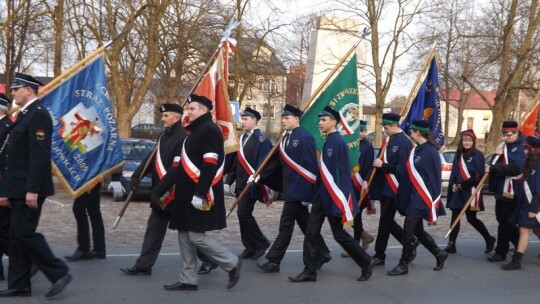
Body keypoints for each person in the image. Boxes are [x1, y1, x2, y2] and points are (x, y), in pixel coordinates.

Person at [155, 94, 241, 291]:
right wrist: (160, 189)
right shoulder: (193, 131)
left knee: (194, 235)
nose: (188, 112)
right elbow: (180, 165)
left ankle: (231, 262)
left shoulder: (209, 130)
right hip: (185, 193)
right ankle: (188, 278)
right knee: (184, 235)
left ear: (203, 110)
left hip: (198, 192)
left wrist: (200, 193)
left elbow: (210, 164)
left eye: (192, 109)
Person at [0, 73, 72, 298]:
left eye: (16, 89)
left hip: (29, 187)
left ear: (28, 90)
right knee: (15, 235)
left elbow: (39, 156)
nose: (12, 93)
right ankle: (20, 284)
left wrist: (32, 189)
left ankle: (58, 272)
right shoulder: (24, 115)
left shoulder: (38, 115)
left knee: (23, 233)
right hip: (17, 186)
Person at [288, 106, 375, 283]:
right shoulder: (329, 141)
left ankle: (366, 261)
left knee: (339, 235)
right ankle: (309, 270)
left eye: (324, 120)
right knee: (311, 232)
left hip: (332, 196)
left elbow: (341, 174)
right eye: (320, 120)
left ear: (333, 122)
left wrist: (339, 200)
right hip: (322, 196)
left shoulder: (337, 143)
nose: (320, 123)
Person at [256, 104, 330, 273]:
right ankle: (322, 253)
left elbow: (310, 167)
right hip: (289, 188)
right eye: (282, 117)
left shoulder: (304, 137)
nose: (283, 120)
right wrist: (260, 174)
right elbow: (276, 161)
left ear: (296, 119)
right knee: (305, 225)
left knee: (285, 225)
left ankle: (274, 260)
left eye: (287, 117)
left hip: (299, 190)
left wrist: (308, 192)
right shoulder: (285, 137)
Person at [120, 103, 187, 275]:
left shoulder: (183, 137)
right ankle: (144, 265)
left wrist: (159, 190)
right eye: (163, 116)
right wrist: (137, 176)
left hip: (175, 193)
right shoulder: (164, 136)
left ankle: (211, 260)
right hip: (161, 194)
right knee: (154, 230)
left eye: (166, 116)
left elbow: (176, 168)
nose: (162, 119)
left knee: (189, 232)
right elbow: (152, 159)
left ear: (177, 117)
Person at [387, 119, 448, 276]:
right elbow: (407, 172)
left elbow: (434, 179)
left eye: (412, 131)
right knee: (418, 231)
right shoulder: (416, 150)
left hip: (422, 198)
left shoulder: (431, 152)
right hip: (412, 196)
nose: (411, 134)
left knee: (408, 230)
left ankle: (403, 264)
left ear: (418, 132)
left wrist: (432, 201)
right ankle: (439, 253)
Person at [224, 107, 272, 260]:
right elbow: (235, 164)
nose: (242, 122)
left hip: (252, 185)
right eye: (242, 119)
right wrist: (228, 181)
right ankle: (249, 247)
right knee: (242, 216)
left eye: (245, 119)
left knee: (243, 214)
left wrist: (258, 177)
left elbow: (265, 162)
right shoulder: (240, 138)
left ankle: (261, 242)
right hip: (240, 185)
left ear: (254, 121)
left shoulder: (262, 140)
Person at [369, 112, 413, 266]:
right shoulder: (388, 140)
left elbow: (403, 169)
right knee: (386, 222)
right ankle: (409, 242)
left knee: (385, 223)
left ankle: (380, 255)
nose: (384, 130)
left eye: (386, 127)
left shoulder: (404, 142)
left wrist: (383, 165)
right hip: (385, 187)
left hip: (395, 188)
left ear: (395, 126)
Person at [445, 129, 495, 254]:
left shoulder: (477, 155)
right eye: (464, 140)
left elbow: (478, 175)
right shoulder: (458, 155)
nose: (466, 143)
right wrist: (453, 185)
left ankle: (489, 239)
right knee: (455, 216)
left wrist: (462, 185)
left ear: (473, 141)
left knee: (471, 219)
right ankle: (451, 244)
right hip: (458, 191)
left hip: (471, 191)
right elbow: (454, 173)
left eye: (469, 140)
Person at [487, 120, 524, 262]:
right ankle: (521, 241)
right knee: (501, 219)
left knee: (505, 222)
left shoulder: (522, 147)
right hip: (502, 188)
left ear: (516, 132)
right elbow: (493, 164)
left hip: (515, 189)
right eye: (503, 133)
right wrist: (498, 156)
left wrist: (496, 168)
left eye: (508, 133)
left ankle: (500, 252)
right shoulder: (503, 146)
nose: (505, 137)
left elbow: (517, 168)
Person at [501, 136, 540, 270]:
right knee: (535, 230)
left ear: (533, 150)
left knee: (524, 230)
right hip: (525, 203)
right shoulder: (530, 164)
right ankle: (516, 260)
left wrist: (534, 209)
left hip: (533, 205)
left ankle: (516, 261)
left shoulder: (538, 166)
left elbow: (538, 189)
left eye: (526, 148)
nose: (523, 151)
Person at [346, 119, 375, 256]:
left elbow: (369, 166)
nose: (360, 134)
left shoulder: (368, 146)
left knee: (355, 215)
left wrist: (366, 181)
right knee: (348, 214)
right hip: (349, 185)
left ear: (365, 131)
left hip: (360, 186)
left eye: (362, 131)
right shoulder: (350, 144)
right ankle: (364, 236)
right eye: (357, 131)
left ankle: (355, 245)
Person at [0, 93, 13, 281]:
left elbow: (8, 164)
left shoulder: (7, 128)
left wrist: (4, 192)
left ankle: (29, 259)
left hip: (3, 186)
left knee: (3, 231)